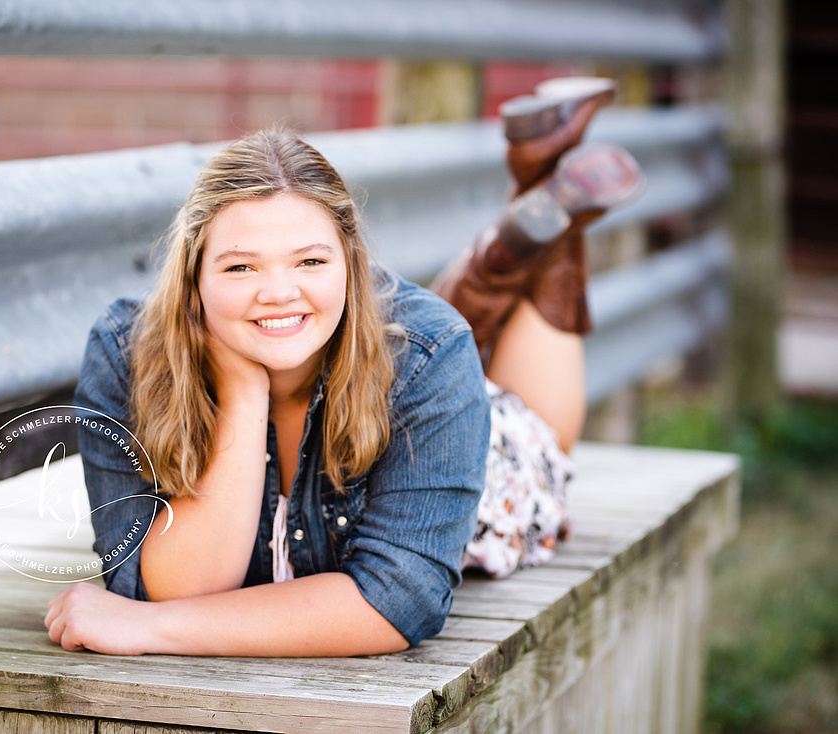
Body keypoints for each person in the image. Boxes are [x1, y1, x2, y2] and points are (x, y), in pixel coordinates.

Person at [45, 77, 643, 656]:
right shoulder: (126, 351)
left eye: (309, 260)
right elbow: (160, 586)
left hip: (476, 450)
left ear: (352, 266)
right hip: (381, 337)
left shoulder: (430, 355)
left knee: (539, 433)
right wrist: (243, 388)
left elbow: (399, 603)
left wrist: (149, 630)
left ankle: (545, 235)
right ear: (192, 276)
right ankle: (515, 231)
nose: (277, 291)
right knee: (411, 333)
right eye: (240, 268)